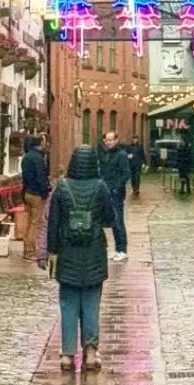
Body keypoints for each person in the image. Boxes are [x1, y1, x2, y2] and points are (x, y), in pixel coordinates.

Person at [46, 145, 115, 371]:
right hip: (94, 253)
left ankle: (67, 354)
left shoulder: (62, 188)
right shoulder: (101, 187)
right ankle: (92, 352)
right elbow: (109, 219)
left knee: (68, 304)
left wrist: (52, 252)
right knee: (91, 303)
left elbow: (53, 224)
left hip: (67, 254)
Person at [98, 129, 131, 261]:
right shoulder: (106, 154)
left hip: (115, 193)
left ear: (116, 140)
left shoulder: (121, 155)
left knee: (118, 221)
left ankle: (122, 249)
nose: (108, 142)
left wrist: (117, 188)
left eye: (111, 140)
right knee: (112, 221)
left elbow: (126, 173)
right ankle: (118, 249)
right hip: (107, 191)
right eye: (106, 140)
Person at [20, 134, 49, 264]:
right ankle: (30, 252)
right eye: (44, 141)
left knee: (29, 223)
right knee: (35, 224)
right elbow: (41, 177)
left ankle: (26, 249)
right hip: (36, 194)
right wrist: (45, 192)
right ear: (40, 143)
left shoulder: (26, 157)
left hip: (27, 193)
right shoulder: (38, 158)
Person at [173, 129, 193, 197]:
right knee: (182, 176)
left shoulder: (185, 146)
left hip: (184, 164)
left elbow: (184, 155)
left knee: (185, 176)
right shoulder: (183, 145)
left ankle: (186, 189)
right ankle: (184, 189)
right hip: (182, 164)